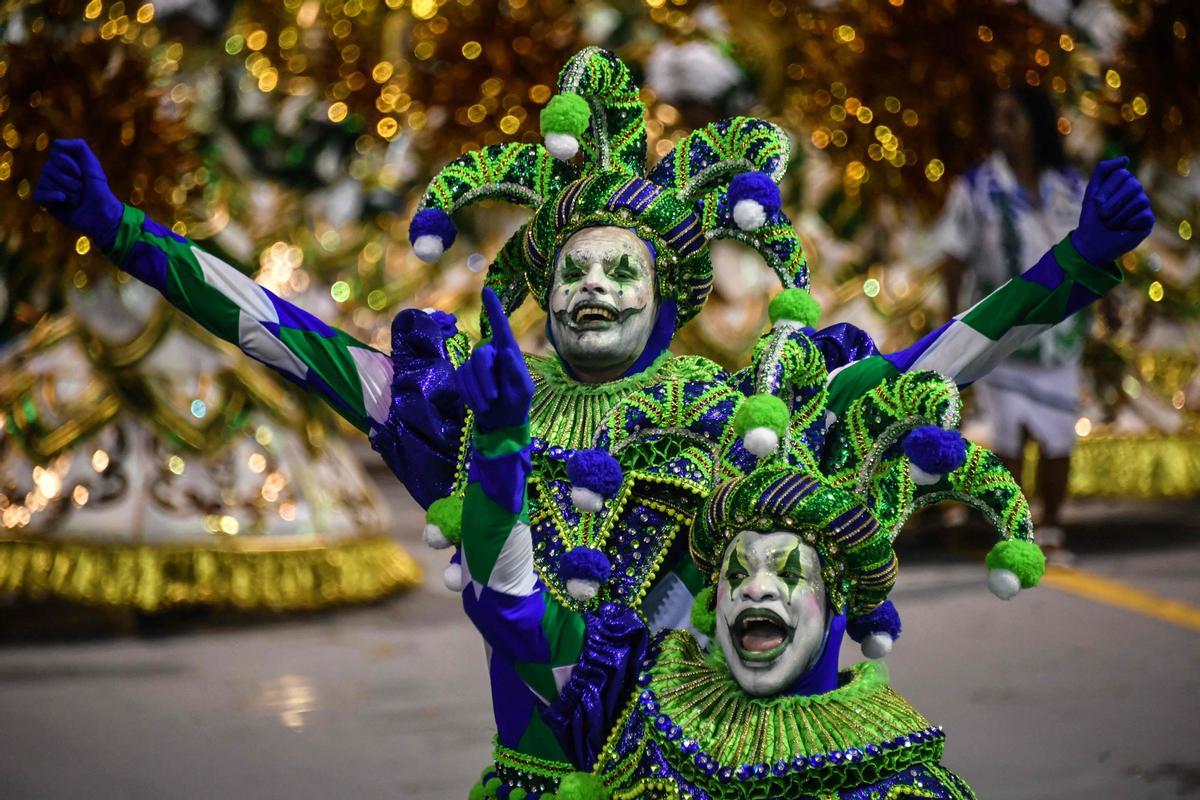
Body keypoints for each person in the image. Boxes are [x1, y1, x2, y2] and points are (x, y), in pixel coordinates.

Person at [34, 46, 1152, 793]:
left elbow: (926, 367)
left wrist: (1081, 263)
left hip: (693, 773)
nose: (595, 285)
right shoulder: (467, 407)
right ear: (542, 284)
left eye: (624, 268)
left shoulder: (724, 412)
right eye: (573, 264)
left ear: (669, 301)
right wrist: (124, 232)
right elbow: (279, 332)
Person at [453, 302, 1039, 797]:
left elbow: (950, 351)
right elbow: (506, 603)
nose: (755, 588)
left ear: (837, 597)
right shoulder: (642, 699)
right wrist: (502, 442)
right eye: (736, 573)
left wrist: (1076, 263)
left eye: (787, 572)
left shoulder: (905, 778)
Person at [933, 87, 1146, 560]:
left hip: (1060, 332)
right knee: (1008, 434)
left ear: (1036, 124)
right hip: (1001, 329)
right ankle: (1012, 527)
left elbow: (1095, 247)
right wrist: (954, 324)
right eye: (996, 117)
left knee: (1056, 435)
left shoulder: (1070, 185)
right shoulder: (975, 187)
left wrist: (1108, 303)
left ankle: (1050, 526)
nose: (999, 128)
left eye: (1011, 117)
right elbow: (952, 258)